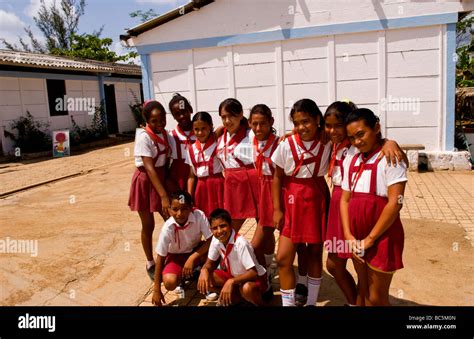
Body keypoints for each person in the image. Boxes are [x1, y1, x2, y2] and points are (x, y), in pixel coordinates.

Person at [340, 108, 407, 306]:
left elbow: (396, 203)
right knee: (363, 290)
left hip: (383, 235)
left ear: (376, 127)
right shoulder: (351, 157)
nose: (357, 141)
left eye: (361, 134)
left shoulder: (391, 157)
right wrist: (349, 236)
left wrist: (370, 240)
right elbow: (345, 200)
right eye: (352, 137)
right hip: (357, 236)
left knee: (376, 298)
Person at [271, 98, 331, 306]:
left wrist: (388, 142)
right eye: (296, 123)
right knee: (283, 258)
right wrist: (277, 209)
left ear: (317, 119)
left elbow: (352, 122)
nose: (301, 127)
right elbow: (277, 177)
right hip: (292, 200)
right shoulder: (286, 144)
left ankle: (311, 303)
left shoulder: (328, 141)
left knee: (315, 253)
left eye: (305, 121)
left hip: (316, 198)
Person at [128, 100, 171, 281]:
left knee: (171, 221)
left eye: (162, 119)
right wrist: (164, 196)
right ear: (146, 120)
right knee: (148, 225)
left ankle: (173, 258)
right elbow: (149, 166)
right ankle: (150, 262)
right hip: (146, 181)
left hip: (160, 180)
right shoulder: (144, 137)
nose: (159, 124)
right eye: (154, 121)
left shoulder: (166, 134)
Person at [152, 191, 212, 306]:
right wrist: (156, 290)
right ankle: (182, 279)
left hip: (195, 252)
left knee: (211, 250)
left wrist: (192, 258)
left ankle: (206, 281)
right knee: (169, 282)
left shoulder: (199, 215)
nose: (180, 213)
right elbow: (160, 257)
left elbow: (210, 240)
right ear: (169, 209)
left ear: (191, 207)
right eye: (175, 209)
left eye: (184, 209)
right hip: (175, 257)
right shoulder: (167, 228)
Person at [198, 208, 268, 306]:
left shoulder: (241, 243)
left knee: (247, 288)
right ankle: (238, 298)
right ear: (211, 229)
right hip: (235, 277)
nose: (219, 231)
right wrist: (204, 270)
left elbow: (253, 273)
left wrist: (231, 281)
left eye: (223, 226)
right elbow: (209, 263)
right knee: (205, 279)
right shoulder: (215, 239)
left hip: (253, 280)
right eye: (215, 228)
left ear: (231, 225)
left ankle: (259, 303)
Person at [216, 98, 259, 232]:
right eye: (224, 117)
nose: (228, 121)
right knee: (232, 223)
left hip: (252, 181)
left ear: (240, 114)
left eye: (232, 115)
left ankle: (266, 254)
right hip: (231, 183)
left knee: (261, 221)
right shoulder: (219, 136)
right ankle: (230, 250)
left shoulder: (251, 134)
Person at [247, 104, 279, 279]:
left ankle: (261, 274)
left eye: (263, 124)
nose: (258, 128)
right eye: (254, 124)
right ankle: (267, 265)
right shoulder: (250, 139)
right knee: (267, 232)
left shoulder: (279, 143)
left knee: (255, 244)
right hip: (258, 187)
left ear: (271, 122)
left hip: (274, 190)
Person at [185, 112, 224, 216]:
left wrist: (216, 132)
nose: (200, 132)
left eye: (204, 128)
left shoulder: (218, 143)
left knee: (219, 216)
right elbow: (191, 176)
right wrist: (189, 196)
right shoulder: (191, 149)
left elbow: (226, 126)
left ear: (210, 126)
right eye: (196, 129)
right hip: (201, 187)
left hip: (217, 185)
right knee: (203, 218)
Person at [168, 93, 196, 191]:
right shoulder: (171, 136)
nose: (182, 116)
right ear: (173, 116)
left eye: (184, 111)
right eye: (177, 114)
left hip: (198, 179)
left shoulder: (201, 133)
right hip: (178, 181)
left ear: (190, 109)